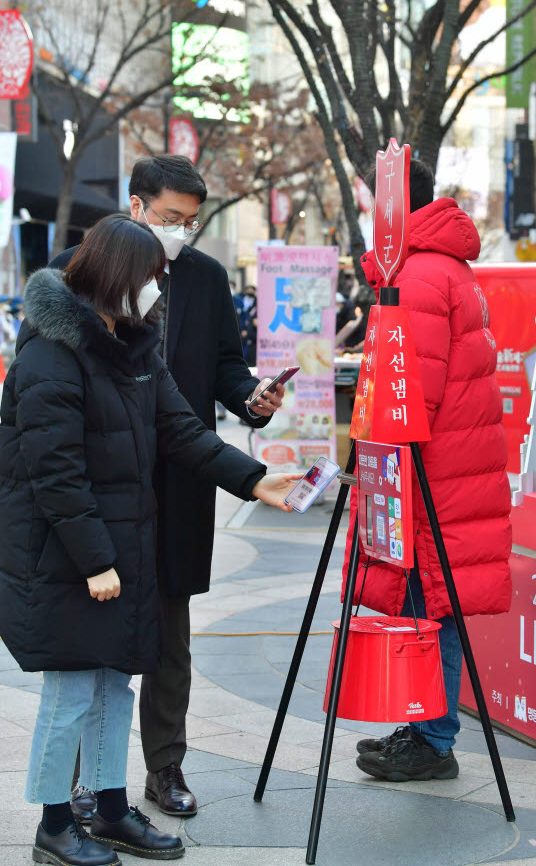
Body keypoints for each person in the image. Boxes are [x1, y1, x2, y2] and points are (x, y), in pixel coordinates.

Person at [0, 214, 300, 866]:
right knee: (71, 691)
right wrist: (95, 561)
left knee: (114, 685)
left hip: (119, 549)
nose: (156, 292)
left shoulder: (133, 348)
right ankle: (54, 825)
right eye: (148, 280)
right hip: (69, 558)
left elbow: (183, 433)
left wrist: (254, 481)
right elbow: (54, 475)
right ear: (116, 278)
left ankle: (110, 813)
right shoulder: (50, 356)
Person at [49, 156, 285, 819]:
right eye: (170, 217)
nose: (180, 232)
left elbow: (222, 367)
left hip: (181, 478)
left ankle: (164, 768)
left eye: (190, 220)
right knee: (90, 642)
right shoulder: (77, 267)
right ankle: (73, 790)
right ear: (135, 205)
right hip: (101, 484)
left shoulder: (205, 278)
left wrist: (252, 398)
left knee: (170, 635)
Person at [346, 159, 512, 782]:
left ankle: (433, 737)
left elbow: (414, 391)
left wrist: (374, 452)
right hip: (454, 465)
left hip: (432, 470)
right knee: (432, 600)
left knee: (431, 601)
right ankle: (423, 727)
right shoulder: (446, 265)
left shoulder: (416, 273)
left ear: (392, 208)